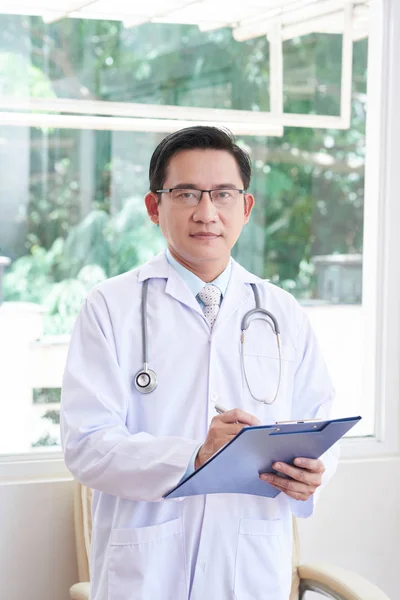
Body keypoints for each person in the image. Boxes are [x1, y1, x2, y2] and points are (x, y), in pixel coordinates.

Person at [60, 126, 338, 600]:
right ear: (154, 207)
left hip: (249, 568)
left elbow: (318, 423)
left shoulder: (281, 310)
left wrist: (318, 470)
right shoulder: (110, 307)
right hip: (147, 572)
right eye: (187, 193)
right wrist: (195, 455)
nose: (207, 212)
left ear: (245, 208)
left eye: (224, 194)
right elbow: (87, 445)